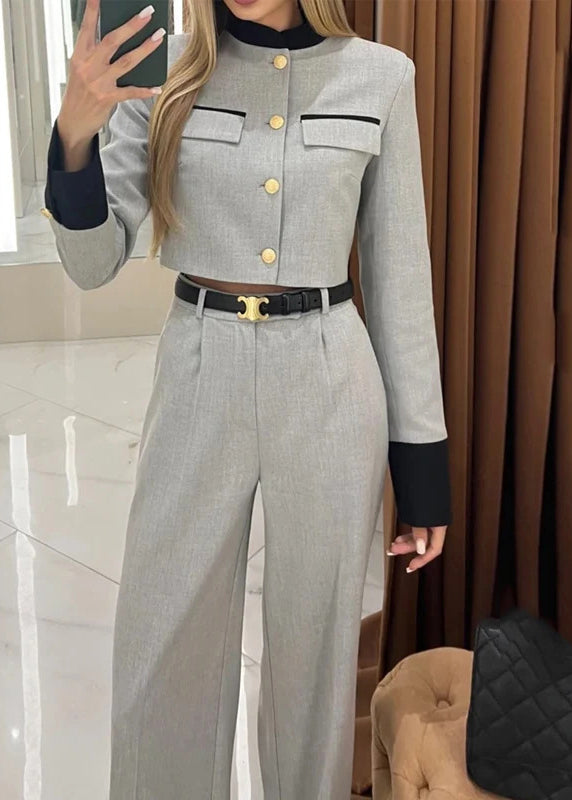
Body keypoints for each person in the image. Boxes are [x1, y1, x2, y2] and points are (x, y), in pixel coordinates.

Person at [41, 0, 452, 796]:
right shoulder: (165, 78)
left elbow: (401, 278)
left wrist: (423, 468)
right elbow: (92, 264)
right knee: (162, 642)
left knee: (315, 659)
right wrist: (75, 136)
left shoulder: (381, 77)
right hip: (200, 368)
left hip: (329, 377)